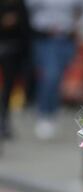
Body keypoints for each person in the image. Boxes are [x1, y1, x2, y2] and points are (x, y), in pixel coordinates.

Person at [25, 0, 83, 140]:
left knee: (59, 77)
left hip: (67, 39)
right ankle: (45, 112)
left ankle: (53, 109)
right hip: (45, 38)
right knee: (50, 75)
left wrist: (81, 26)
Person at [0, 0, 30, 138]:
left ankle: (4, 121)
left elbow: (25, 27)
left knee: (8, 89)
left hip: (13, 51)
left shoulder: (18, 4)